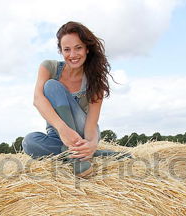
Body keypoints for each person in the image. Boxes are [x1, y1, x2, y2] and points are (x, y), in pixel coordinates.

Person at [22, 21, 130, 177]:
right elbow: (37, 100)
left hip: (83, 131)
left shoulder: (95, 80)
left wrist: (92, 144)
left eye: (78, 48)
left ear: (87, 49)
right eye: (67, 49)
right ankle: (79, 154)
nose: (72, 55)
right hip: (57, 132)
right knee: (29, 142)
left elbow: (91, 124)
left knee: (52, 86)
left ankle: (78, 157)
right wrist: (62, 129)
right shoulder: (49, 67)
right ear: (61, 51)